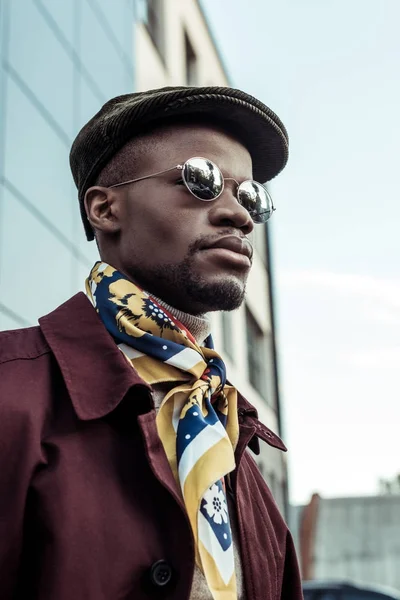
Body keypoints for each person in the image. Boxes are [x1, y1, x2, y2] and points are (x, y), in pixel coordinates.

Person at [0, 86, 302, 600]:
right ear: (105, 209)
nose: (240, 216)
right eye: (201, 180)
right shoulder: (10, 394)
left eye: (250, 196)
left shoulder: (235, 444)